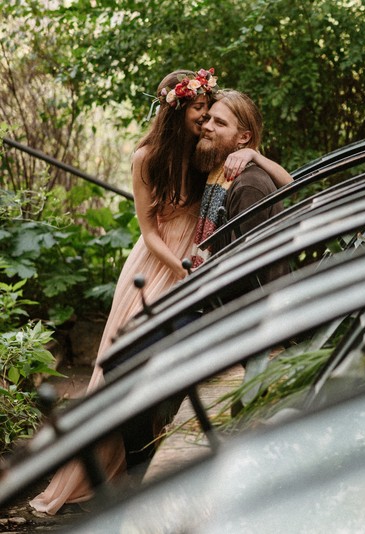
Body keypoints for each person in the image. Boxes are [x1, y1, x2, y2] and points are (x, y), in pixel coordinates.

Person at [30, 68, 218, 516]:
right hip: (157, 263)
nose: (205, 115)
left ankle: (147, 457)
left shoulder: (205, 152)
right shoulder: (146, 158)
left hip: (194, 256)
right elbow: (149, 232)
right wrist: (182, 269)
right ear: (176, 110)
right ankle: (116, 469)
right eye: (199, 107)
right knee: (123, 362)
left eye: (208, 108)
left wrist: (248, 155)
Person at [190, 89, 293, 268]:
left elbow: (245, 266)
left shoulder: (248, 186)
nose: (207, 126)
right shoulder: (217, 171)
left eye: (220, 123)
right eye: (208, 118)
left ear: (244, 137)